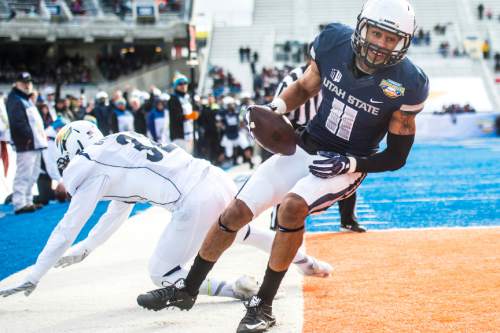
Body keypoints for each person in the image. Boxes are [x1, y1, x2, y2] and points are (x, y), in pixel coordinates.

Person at [136, 1, 429, 332]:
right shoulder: (333, 42)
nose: (380, 45)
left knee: (291, 209)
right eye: (376, 33)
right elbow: (304, 87)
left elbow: (396, 156)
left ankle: (264, 305)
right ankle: (187, 290)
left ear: (404, 42)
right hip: (306, 146)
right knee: (234, 213)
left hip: (345, 164)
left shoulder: (408, 82)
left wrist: (349, 162)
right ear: (362, 28)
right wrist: (275, 107)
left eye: (391, 39)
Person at [0, 121, 332, 300]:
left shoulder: (90, 165)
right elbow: (118, 210)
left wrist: (35, 273)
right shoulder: (117, 143)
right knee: (240, 231)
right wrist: (87, 248)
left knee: (162, 271)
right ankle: (307, 262)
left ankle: (235, 290)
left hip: (193, 198)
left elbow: (68, 225)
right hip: (213, 177)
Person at [271, 46, 365, 233]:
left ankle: (347, 219)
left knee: (343, 171)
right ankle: (277, 221)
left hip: (329, 132)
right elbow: (277, 110)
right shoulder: (292, 78)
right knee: (288, 179)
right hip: (297, 132)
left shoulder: (337, 75)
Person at [6, 72, 48, 214]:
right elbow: (17, 123)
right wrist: (28, 138)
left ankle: (28, 201)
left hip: (34, 143)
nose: (27, 84)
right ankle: (19, 203)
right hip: (26, 144)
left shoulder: (25, 98)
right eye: (24, 82)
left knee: (33, 173)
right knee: (24, 174)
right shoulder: (15, 99)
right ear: (16, 83)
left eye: (29, 82)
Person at [167, 73, 198, 153]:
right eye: (180, 84)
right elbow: (176, 117)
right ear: (176, 86)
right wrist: (189, 116)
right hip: (180, 135)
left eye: (185, 83)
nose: (183, 85)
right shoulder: (173, 99)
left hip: (190, 132)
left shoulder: (188, 98)